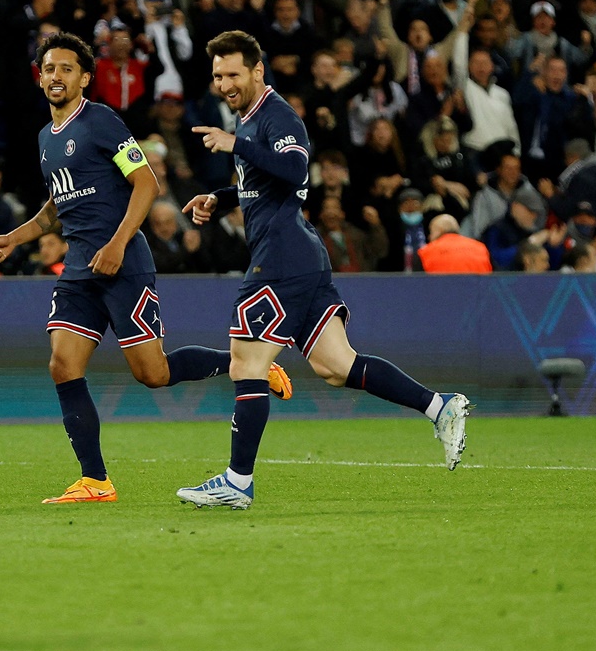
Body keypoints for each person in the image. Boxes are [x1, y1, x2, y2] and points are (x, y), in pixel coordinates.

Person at [0, 32, 291, 505]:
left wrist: (118, 243)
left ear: (85, 78)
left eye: (66, 69)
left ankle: (246, 367)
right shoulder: (46, 138)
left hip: (123, 264)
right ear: (39, 77)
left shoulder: (101, 121)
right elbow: (55, 208)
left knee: (153, 374)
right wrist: (13, 238)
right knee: (63, 366)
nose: (56, 76)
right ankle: (95, 480)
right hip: (80, 271)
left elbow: (146, 184)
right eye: (49, 69)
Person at [178, 30, 471, 510]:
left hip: (281, 260)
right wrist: (221, 197)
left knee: (246, 363)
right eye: (217, 76)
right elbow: (264, 183)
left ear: (257, 71)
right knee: (337, 366)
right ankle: (439, 409)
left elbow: (295, 172)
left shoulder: (277, 115)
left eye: (232, 73)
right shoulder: (249, 119)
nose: (224, 83)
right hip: (300, 259)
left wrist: (235, 145)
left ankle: (237, 481)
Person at [417, 214, 492, 273]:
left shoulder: (425, 252)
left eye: (431, 232)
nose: (429, 237)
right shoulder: (481, 248)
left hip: (441, 292)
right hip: (479, 291)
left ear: (440, 230)